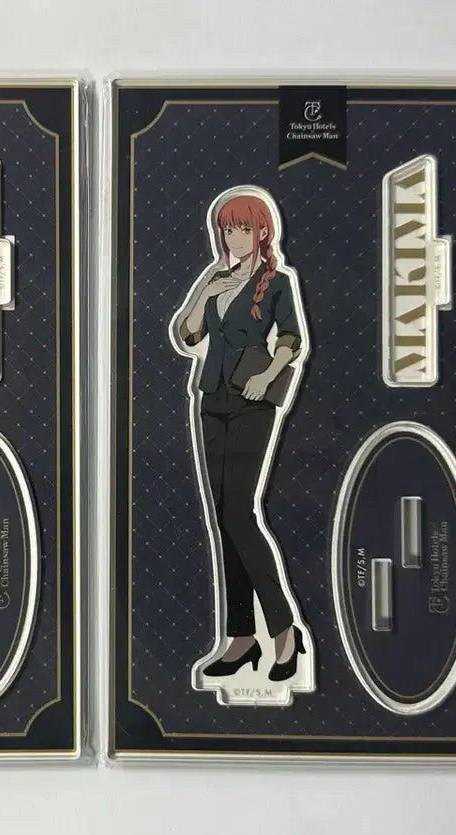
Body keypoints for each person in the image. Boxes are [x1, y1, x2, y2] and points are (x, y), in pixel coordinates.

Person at [175, 192, 309, 682]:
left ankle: (284, 630)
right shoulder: (217, 280)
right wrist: (205, 291)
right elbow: (188, 336)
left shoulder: (279, 282)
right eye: (228, 229)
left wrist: (267, 373)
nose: (234, 238)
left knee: (239, 513)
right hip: (211, 398)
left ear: (262, 232)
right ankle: (241, 638)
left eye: (243, 228)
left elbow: (292, 340)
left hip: (253, 399)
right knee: (222, 518)